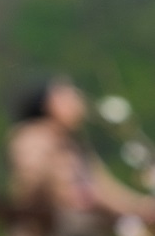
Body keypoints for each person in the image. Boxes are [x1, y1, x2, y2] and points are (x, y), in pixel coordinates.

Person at [9, 77, 155, 227]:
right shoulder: (32, 137)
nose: (77, 102)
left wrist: (141, 207)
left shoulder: (75, 143)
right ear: (47, 104)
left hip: (77, 231)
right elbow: (31, 185)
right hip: (45, 234)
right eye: (66, 96)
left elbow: (104, 189)